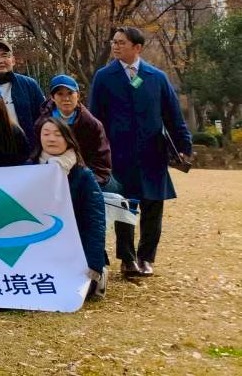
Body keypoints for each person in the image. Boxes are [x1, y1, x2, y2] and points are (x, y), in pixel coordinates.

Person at [89, 26, 192, 278]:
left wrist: (184, 146)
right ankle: (127, 258)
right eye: (113, 42)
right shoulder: (104, 76)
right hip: (118, 155)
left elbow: (173, 115)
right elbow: (95, 119)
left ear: (137, 47)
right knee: (125, 205)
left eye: (121, 42)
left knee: (153, 207)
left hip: (152, 154)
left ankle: (147, 257)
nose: (115, 46)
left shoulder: (157, 77)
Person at [36, 117, 107, 299]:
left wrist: (93, 265)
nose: (51, 139)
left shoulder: (83, 176)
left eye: (58, 134)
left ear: (68, 139)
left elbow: (95, 223)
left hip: (75, 247)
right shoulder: (28, 169)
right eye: (46, 134)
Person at [35, 75, 112, 186]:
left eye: (70, 93)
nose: (66, 98)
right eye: (60, 94)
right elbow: (35, 153)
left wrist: (86, 184)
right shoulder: (41, 123)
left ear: (78, 95)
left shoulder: (91, 124)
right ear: (52, 97)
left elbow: (101, 164)